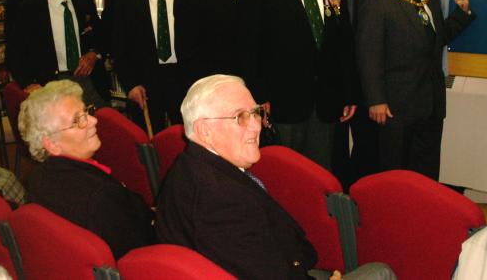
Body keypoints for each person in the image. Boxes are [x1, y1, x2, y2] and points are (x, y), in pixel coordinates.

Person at [156, 74, 395, 280]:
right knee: (380, 271)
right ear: (204, 130)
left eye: (256, 113)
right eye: (240, 117)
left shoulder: (185, 167)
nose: (256, 126)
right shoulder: (224, 199)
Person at [238, 0, 356, 170]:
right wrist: (257, 94)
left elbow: (343, 43)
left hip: (326, 100)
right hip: (281, 100)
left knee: (321, 174)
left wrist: (349, 91)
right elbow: (248, 44)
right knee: (284, 173)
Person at [357, 0, 474, 181]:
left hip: (430, 102)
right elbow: (369, 50)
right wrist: (376, 99)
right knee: (396, 173)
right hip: (395, 104)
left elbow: (434, 40)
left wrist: (462, 13)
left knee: (426, 171)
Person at [18, 80, 155, 259]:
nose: (94, 120)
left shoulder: (38, 177)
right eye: (78, 120)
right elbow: (142, 256)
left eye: (86, 111)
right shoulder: (100, 197)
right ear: (52, 144)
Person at [319, 0, 382, 186]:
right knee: (333, 150)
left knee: (369, 149)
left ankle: (363, 199)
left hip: (368, 80)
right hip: (332, 81)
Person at [8, 0, 108, 107]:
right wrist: (28, 83)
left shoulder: (84, 0)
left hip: (86, 78)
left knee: (102, 121)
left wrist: (94, 54)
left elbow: (101, 34)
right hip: (50, 82)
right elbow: (15, 51)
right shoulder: (29, 9)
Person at [112, 0, 187, 134]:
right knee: (148, 143)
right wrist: (130, 84)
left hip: (184, 79)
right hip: (143, 84)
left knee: (187, 139)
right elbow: (119, 46)